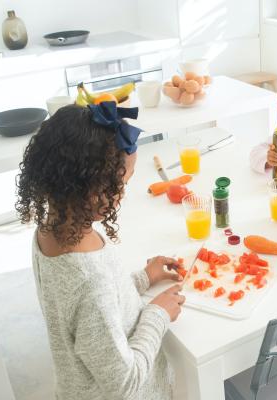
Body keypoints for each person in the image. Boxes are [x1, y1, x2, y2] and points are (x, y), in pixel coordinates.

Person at [16, 103, 184, 400]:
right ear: (90, 187)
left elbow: (92, 312)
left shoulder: (49, 232)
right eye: (122, 182)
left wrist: (143, 278)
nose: (123, 193)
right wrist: (157, 314)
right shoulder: (88, 280)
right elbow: (124, 383)